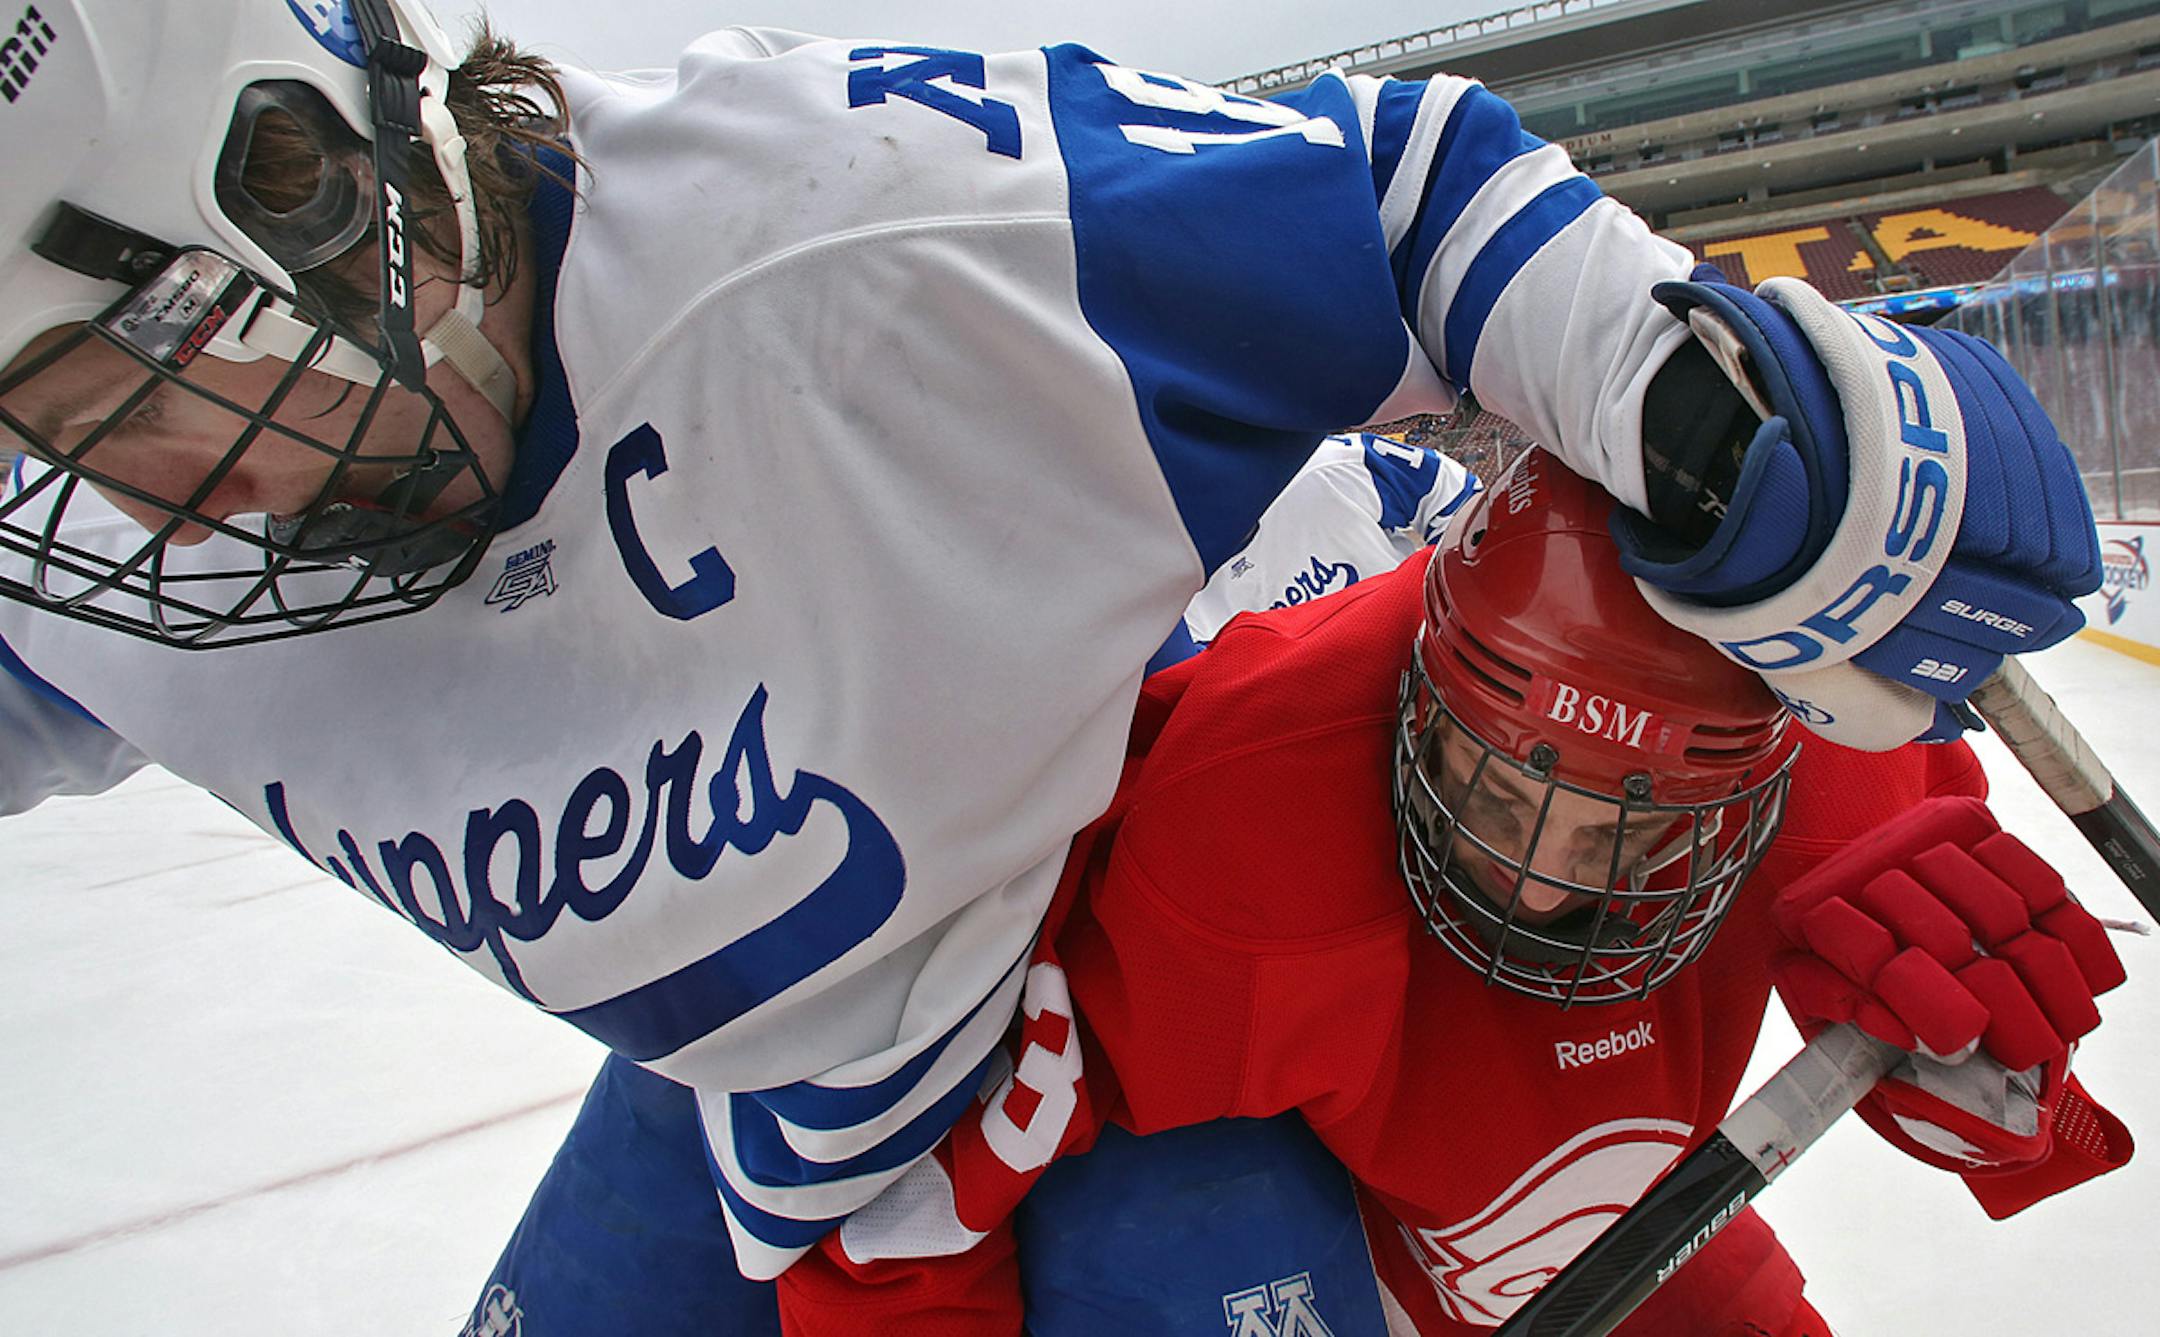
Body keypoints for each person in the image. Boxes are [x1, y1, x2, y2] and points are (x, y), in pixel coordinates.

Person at [0, 0, 2103, 1311]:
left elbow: (1398, 209)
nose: (139, 499)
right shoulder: (78, 568)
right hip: (795, 1118)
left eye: (114, 380)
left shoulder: (867, 233)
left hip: (1104, 1030)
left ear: (292, 179)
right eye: (35, 434)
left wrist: (1742, 423)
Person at [778, 452, 2133, 1334]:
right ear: (1412, 706)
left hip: (1644, 1224)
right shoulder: (1249, 820)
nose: (1532, 871)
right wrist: (910, 1237)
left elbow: (2011, 1099)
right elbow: (909, 1203)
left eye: (1626, 830)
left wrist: (1997, 1098)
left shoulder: (1842, 760)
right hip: (1353, 1224)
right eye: (1490, 787)